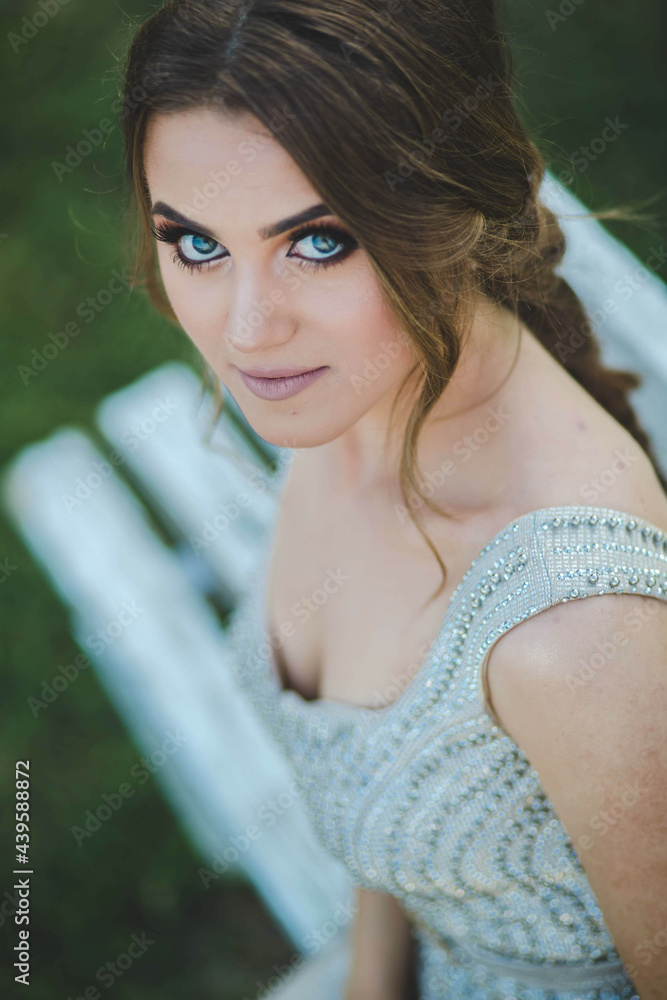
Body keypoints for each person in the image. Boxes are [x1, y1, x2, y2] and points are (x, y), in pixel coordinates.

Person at [119, 2, 667, 997]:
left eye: (317, 242)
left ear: (454, 212)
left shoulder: (573, 632)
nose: (245, 331)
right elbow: (397, 842)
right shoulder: (351, 393)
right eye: (195, 242)